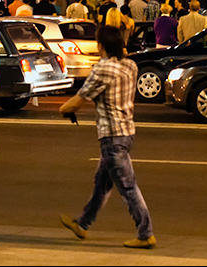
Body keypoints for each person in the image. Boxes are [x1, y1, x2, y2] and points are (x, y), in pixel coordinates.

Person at [58, 26, 155, 249]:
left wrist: (64, 109)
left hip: (112, 136)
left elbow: (79, 99)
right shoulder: (130, 65)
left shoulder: (102, 69)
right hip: (128, 131)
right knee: (102, 182)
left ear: (100, 45)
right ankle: (82, 224)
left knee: (128, 186)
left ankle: (145, 233)